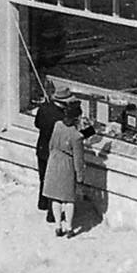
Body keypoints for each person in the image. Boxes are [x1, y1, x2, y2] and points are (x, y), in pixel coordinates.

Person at [41, 97, 87, 237]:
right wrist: (80, 178)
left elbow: (51, 145)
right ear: (77, 118)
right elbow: (78, 159)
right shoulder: (76, 136)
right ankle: (69, 227)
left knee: (55, 197)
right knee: (68, 199)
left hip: (54, 161)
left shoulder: (57, 125)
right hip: (67, 165)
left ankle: (58, 226)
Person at [32, 80, 66, 222]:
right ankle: (52, 214)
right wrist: (91, 130)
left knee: (43, 178)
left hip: (41, 148)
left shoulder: (44, 108)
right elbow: (73, 134)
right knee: (54, 183)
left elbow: (37, 124)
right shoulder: (62, 117)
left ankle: (42, 203)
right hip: (55, 152)